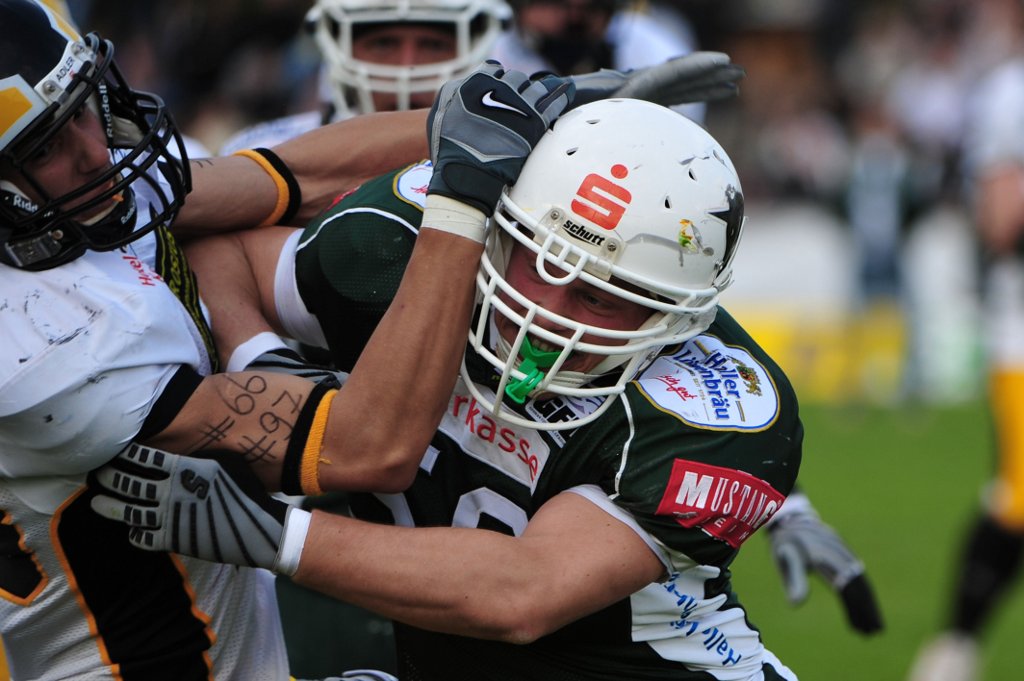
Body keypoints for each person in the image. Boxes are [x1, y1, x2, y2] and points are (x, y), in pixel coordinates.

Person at [94, 95, 804, 680]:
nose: (544, 313)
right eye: (537, 261)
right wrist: (266, 359)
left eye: (598, 296)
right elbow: (224, 249)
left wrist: (273, 533)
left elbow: (523, 592)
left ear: (676, 317)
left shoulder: (715, 406)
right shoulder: (410, 245)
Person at [0, 0, 577, 678]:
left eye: (83, 108)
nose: (97, 151)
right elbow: (371, 446)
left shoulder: (64, 201)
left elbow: (283, 176)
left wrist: (499, 121)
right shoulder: (40, 349)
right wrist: (464, 195)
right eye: (45, 145)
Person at [906, 5, 1024, 679]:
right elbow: (1000, 222)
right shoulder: (1011, 91)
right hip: (1022, 330)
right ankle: (956, 644)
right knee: (1021, 493)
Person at [218, 0, 513, 155]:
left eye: (434, 45)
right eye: (383, 44)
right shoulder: (266, 149)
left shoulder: (510, 160)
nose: (407, 67)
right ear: (338, 43)